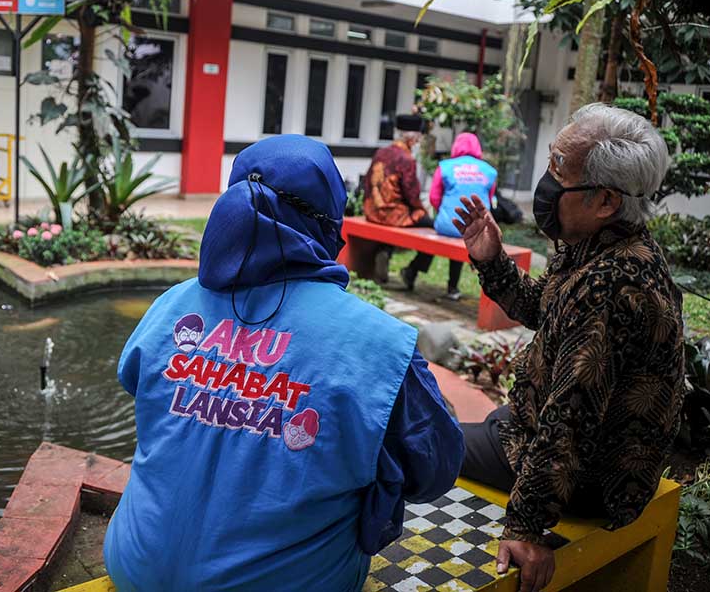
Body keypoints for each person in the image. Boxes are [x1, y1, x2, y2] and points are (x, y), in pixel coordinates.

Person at [103, 134, 464, 592]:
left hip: (134, 569)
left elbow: (139, 385)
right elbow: (434, 470)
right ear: (328, 223)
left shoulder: (172, 306)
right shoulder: (379, 344)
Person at [452, 104, 685, 592]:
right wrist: (491, 260)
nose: (546, 182)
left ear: (606, 200)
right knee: (490, 422)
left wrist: (525, 529)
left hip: (590, 481)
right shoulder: (604, 246)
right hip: (557, 436)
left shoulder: (611, 285)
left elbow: (570, 419)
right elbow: (544, 309)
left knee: (428, 438)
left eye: (559, 169)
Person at [425, 132, 498, 301]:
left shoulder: (445, 167)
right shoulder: (490, 171)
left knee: (455, 228)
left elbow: (434, 198)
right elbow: (488, 200)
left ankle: (412, 272)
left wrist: (444, 212)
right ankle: (452, 287)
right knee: (465, 231)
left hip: (447, 225)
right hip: (478, 229)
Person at [363, 114, 433, 284]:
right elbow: (412, 194)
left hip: (372, 211)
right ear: (412, 138)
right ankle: (413, 269)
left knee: (401, 216)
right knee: (432, 225)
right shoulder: (407, 159)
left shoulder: (381, 152)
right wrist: (422, 210)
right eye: (418, 138)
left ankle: (384, 251)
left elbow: (367, 182)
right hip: (393, 215)